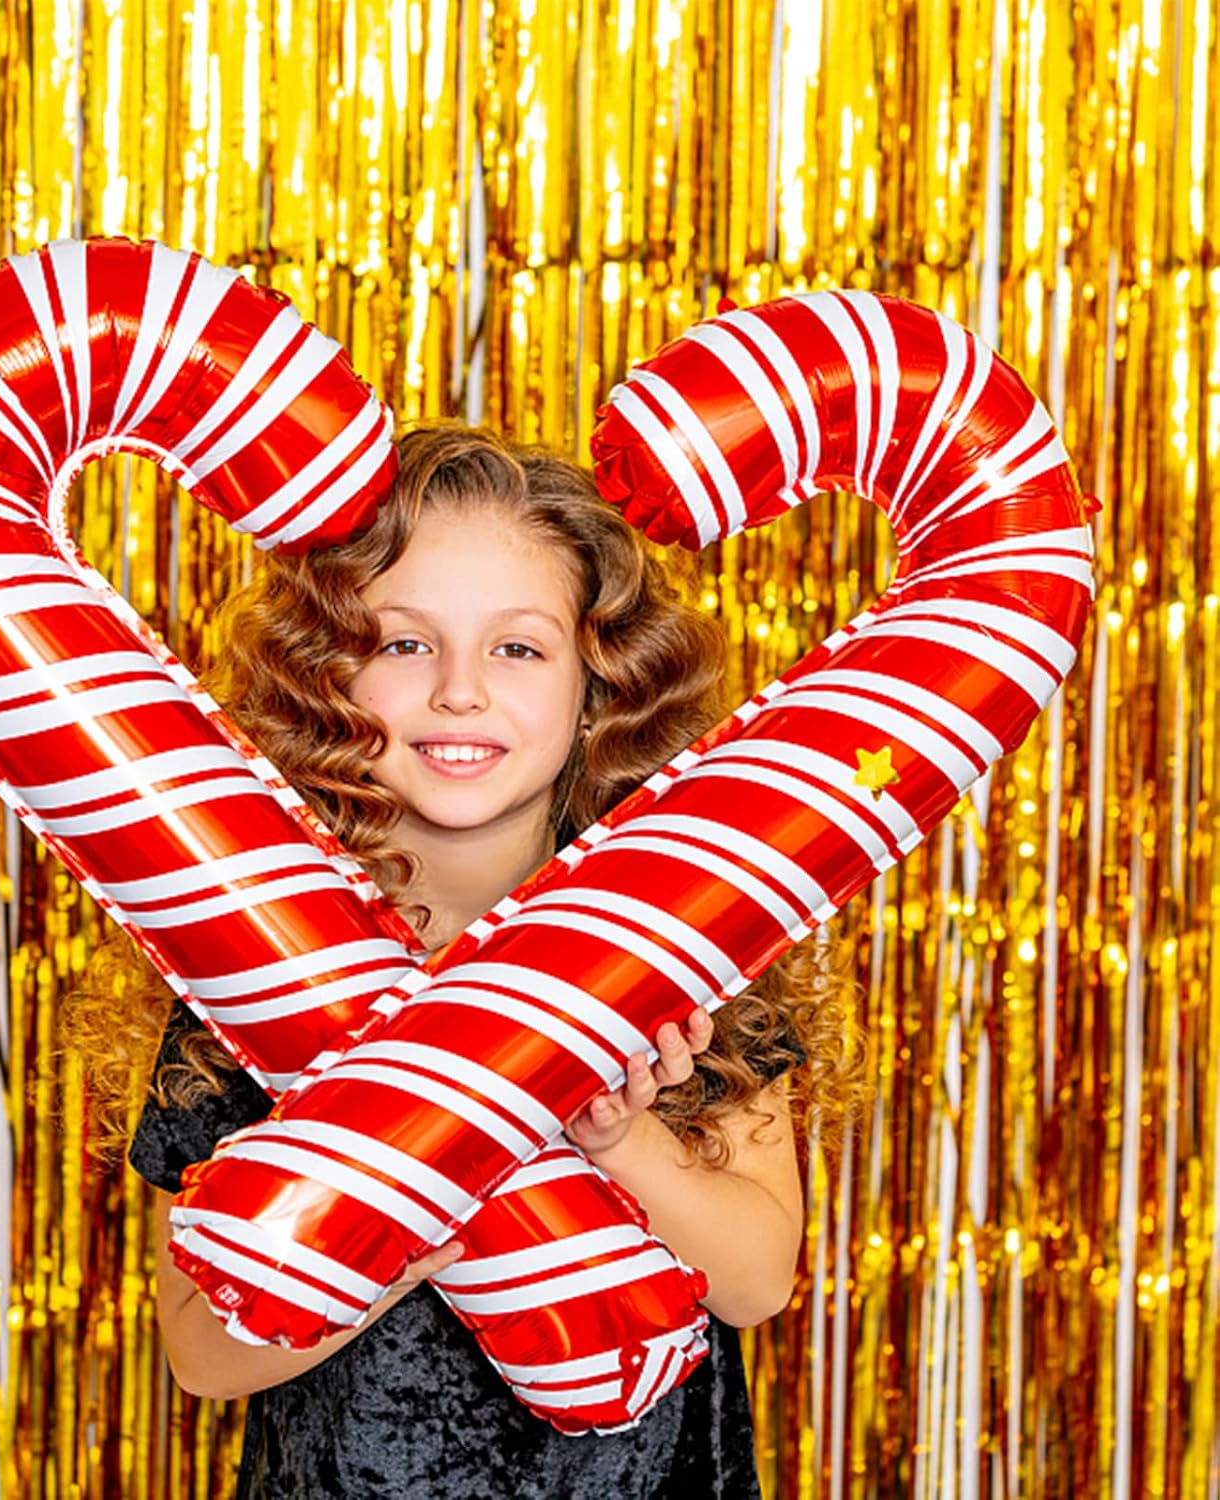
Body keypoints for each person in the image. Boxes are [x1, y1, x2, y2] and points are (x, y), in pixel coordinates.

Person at [65, 422, 863, 1498]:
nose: (458, 691)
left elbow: (758, 1282)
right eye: (404, 644)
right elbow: (202, 1355)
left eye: (518, 648)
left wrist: (620, 1139)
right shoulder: (256, 974)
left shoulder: (695, 943)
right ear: (327, 677)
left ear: (600, 683)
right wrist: (387, 1229)